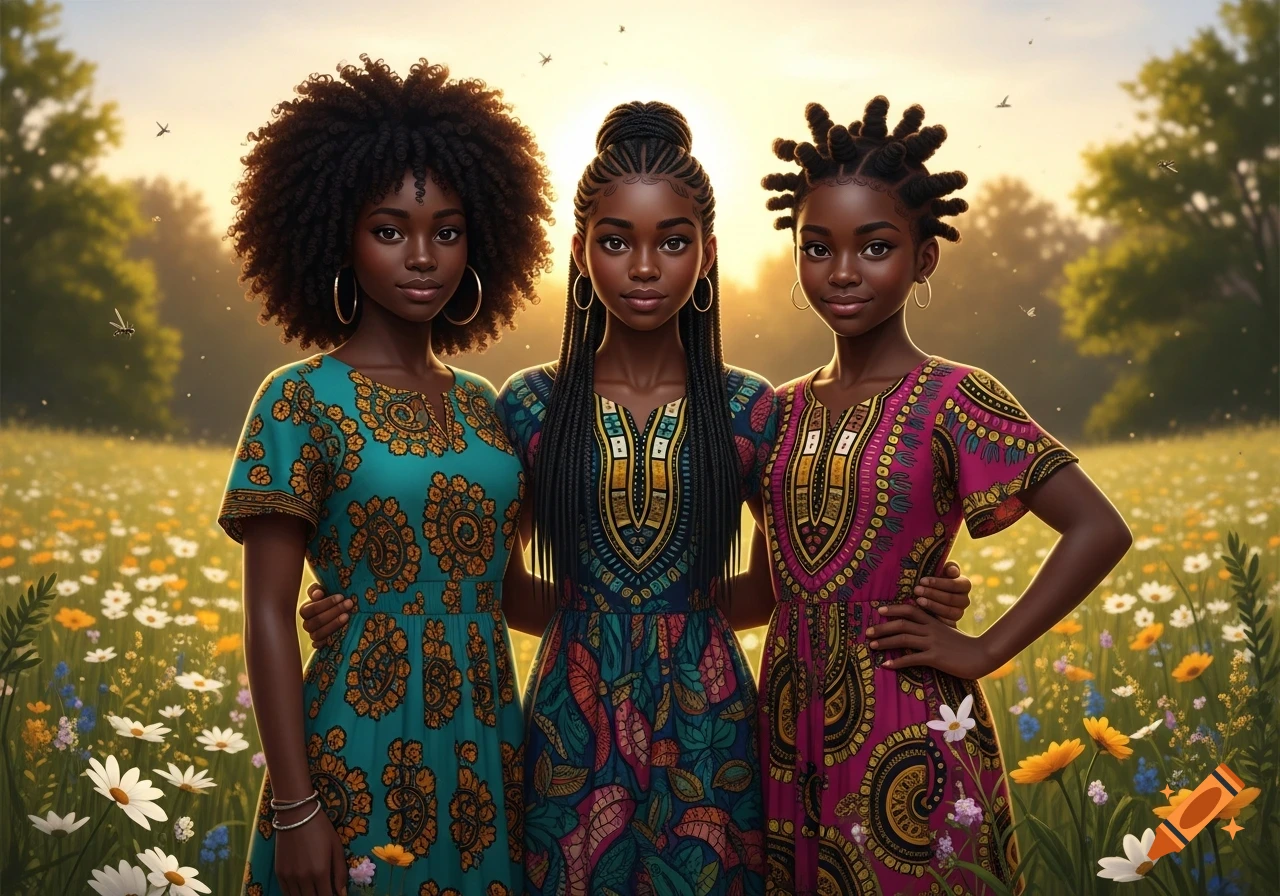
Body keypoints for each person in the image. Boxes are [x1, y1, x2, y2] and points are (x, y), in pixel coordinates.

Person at [754, 96, 1133, 894]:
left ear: (924, 259)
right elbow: (770, 582)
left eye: (876, 247)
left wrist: (985, 648)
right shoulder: (775, 411)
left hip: (911, 720)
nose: (843, 271)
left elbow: (1098, 529)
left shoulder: (957, 397)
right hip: (786, 730)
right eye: (817, 248)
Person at [217, 54, 553, 895]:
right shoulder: (299, 398)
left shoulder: (484, 405)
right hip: (358, 737)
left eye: (448, 231)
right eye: (390, 230)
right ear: (340, 233)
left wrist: (649, 611)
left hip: (487, 743)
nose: (423, 256)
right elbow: (266, 613)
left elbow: (504, 590)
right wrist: (296, 807)